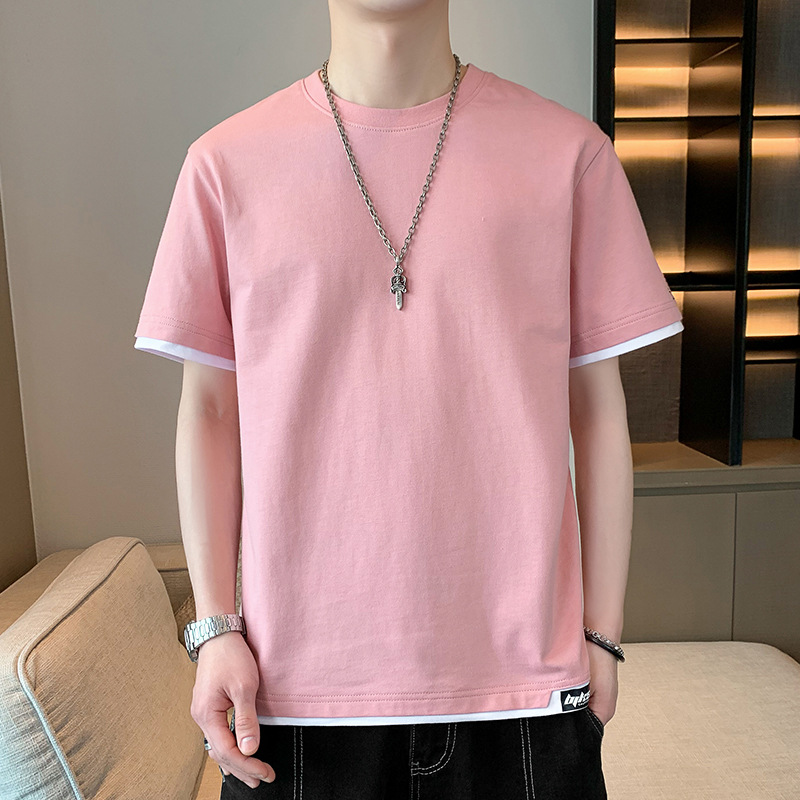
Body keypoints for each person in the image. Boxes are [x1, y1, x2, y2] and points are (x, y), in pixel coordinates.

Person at [133, 1, 683, 797]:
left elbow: (597, 410)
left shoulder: (571, 156)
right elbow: (212, 414)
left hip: (525, 696)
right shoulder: (224, 166)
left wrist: (603, 633)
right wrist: (214, 629)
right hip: (290, 701)